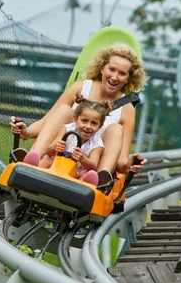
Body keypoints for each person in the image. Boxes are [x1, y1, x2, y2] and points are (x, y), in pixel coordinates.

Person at [11, 44, 147, 181]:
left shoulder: (127, 108)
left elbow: (121, 162)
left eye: (122, 74)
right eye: (111, 69)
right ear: (102, 69)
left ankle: (99, 179)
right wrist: (26, 131)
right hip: (60, 154)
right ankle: (34, 158)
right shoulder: (81, 88)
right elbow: (49, 119)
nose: (115, 77)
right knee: (64, 109)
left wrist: (130, 164)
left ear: (129, 78)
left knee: (115, 129)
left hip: (90, 166)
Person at [31, 93, 112, 185]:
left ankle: (84, 186)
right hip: (57, 165)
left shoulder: (97, 144)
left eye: (94, 123)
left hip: (76, 173)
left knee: (87, 173)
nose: (88, 126)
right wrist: (55, 147)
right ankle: (32, 170)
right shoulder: (66, 129)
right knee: (46, 158)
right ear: (75, 119)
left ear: (100, 126)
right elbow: (49, 150)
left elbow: (93, 165)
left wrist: (82, 159)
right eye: (84, 121)